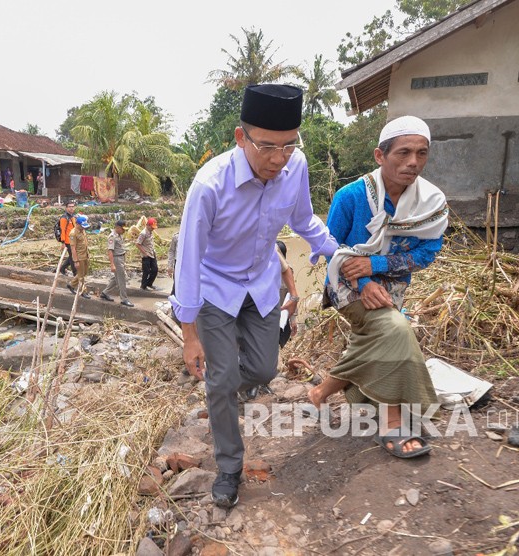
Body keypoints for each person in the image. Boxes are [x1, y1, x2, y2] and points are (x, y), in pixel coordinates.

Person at [170, 84, 338, 508]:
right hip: (215, 288)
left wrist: (338, 252)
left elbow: (303, 219)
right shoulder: (209, 185)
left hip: (262, 284)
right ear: (240, 137)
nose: (278, 160)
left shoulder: (294, 167)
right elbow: (188, 262)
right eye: (267, 147)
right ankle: (229, 465)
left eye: (288, 146)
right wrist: (189, 334)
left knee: (264, 369)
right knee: (224, 378)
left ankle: (220, 389)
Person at [308, 115, 449, 459]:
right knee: (396, 328)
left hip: (392, 286)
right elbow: (332, 248)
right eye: (403, 153)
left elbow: (428, 252)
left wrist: (376, 264)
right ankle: (392, 419)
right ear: (379, 156)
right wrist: (364, 279)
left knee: (376, 337)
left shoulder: (429, 202)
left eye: (421, 153)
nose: (413, 162)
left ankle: (321, 392)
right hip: (346, 284)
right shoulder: (351, 197)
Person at [100, 220, 134, 307]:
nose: (124, 231)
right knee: (121, 279)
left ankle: (104, 293)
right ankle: (124, 299)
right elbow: (110, 251)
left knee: (115, 278)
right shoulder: (112, 237)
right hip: (117, 259)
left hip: (121, 257)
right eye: (123, 229)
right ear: (118, 228)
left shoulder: (119, 235)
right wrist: (112, 264)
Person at [66, 215, 91, 298]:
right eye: (82, 226)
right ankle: (83, 291)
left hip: (85, 255)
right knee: (81, 276)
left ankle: (71, 284)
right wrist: (76, 261)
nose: (83, 228)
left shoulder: (82, 230)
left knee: (84, 273)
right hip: (79, 257)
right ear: (77, 224)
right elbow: (73, 249)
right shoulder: (73, 234)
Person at [136, 217, 159, 290]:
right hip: (146, 255)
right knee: (146, 271)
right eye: (152, 227)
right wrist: (144, 253)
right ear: (148, 225)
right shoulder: (143, 233)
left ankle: (149, 283)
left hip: (152, 253)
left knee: (155, 270)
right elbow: (137, 244)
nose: (153, 229)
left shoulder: (150, 232)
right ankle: (143, 286)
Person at [58, 201, 77, 276]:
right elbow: (62, 230)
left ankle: (62, 268)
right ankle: (75, 273)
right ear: (66, 208)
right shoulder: (64, 218)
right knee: (73, 258)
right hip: (68, 241)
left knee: (73, 255)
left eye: (73, 206)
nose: (71, 208)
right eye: (70, 207)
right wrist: (63, 243)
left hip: (74, 239)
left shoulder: (73, 217)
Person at [167, 231, 179, 296]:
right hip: (178, 263)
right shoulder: (176, 236)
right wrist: (170, 266)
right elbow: (171, 251)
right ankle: (174, 304)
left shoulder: (194, 236)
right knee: (176, 284)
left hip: (190, 263)